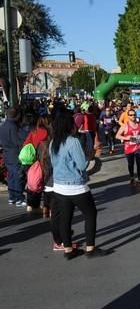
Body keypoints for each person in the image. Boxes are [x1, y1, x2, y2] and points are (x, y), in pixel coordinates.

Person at [50, 110, 109, 259]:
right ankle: (90, 248)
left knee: (65, 218)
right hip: (75, 186)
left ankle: (68, 249)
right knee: (90, 214)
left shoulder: (53, 142)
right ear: (69, 126)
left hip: (59, 186)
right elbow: (82, 165)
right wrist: (90, 156)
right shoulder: (73, 141)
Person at [0, 107, 27, 206]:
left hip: (7, 154)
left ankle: (12, 197)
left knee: (11, 176)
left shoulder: (3, 126)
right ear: (16, 116)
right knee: (17, 177)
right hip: (14, 154)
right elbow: (17, 142)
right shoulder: (13, 127)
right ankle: (19, 198)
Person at [115, 108, 140, 187]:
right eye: (131, 115)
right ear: (128, 116)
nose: (133, 116)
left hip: (138, 146)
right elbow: (117, 136)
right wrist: (126, 138)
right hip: (129, 147)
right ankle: (132, 177)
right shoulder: (125, 126)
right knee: (130, 164)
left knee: (139, 163)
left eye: (134, 115)